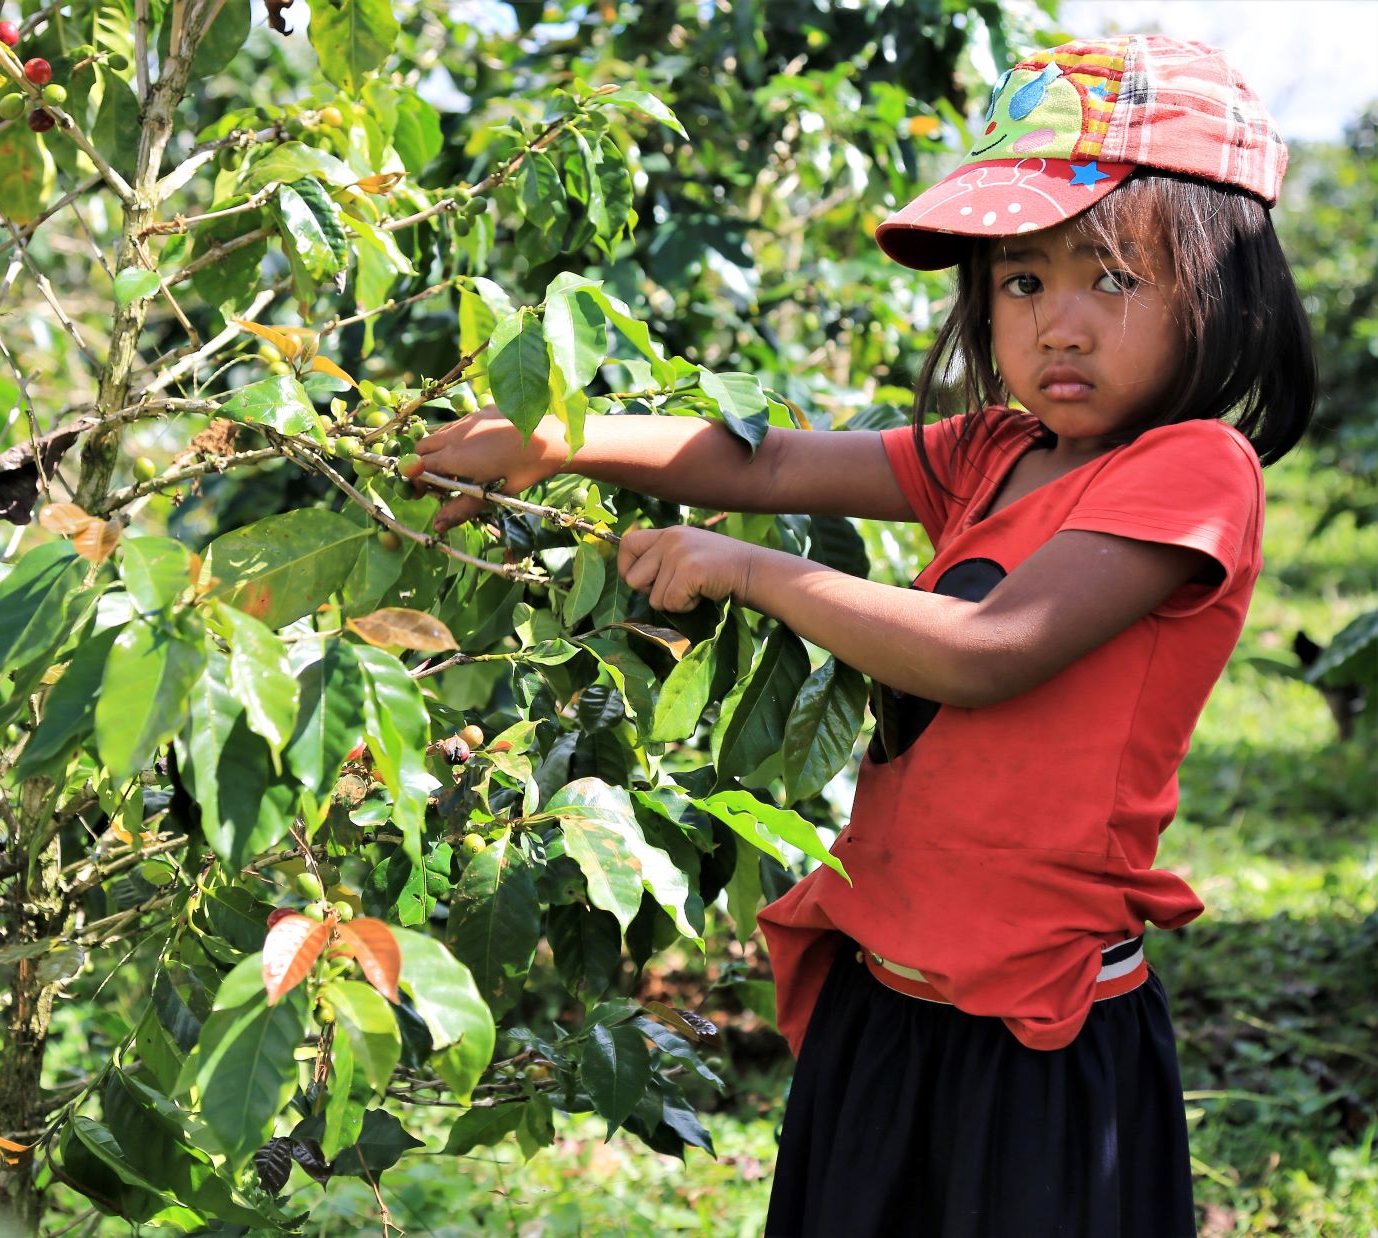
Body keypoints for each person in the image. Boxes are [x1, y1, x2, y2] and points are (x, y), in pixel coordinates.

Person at [411, 33, 1315, 1238]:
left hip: (1036, 1036)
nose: (1059, 325)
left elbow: (988, 647)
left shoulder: (1194, 470)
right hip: (888, 996)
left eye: (1112, 277)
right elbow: (770, 462)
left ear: (1226, 288)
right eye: (1022, 282)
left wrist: (751, 569)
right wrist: (551, 439)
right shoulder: (992, 450)